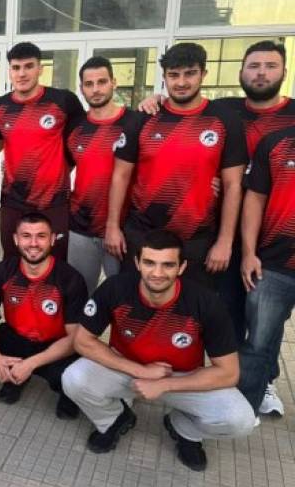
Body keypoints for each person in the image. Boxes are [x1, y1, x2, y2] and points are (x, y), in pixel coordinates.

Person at [138, 40, 294, 414]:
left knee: (264, 323)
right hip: (225, 229)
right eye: (254, 66)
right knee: (230, 310)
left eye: (270, 66)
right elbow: (183, 113)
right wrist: (153, 100)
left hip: (269, 236)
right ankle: (220, 377)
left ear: (284, 71)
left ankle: (260, 382)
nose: (261, 73)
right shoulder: (226, 110)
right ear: (241, 71)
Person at [62, 230, 255, 471]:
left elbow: (228, 373)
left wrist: (165, 385)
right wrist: (140, 371)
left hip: (180, 378)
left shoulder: (206, 303)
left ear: (182, 267)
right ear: (137, 263)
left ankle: (184, 429)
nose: (157, 273)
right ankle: (113, 420)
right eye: (149, 263)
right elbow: (82, 341)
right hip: (128, 371)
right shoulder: (115, 288)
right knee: (73, 378)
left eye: (168, 265)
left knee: (241, 420)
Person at [105, 43, 247, 288]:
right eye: (173, 75)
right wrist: (112, 227)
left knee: (191, 306)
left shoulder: (224, 120)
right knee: (136, 301)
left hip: (197, 236)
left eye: (189, 73)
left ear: (203, 74)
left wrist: (225, 241)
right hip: (143, 231)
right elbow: (120, 176)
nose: (181, 82)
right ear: (164, 77)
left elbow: (234, 185)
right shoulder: (144, 117)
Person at [0, 213, 87, 413]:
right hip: (16, 338)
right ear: (16, 239)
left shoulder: (70, 278)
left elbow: (74, 338)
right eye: (26, 236)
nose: (33, 243)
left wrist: (31, 364)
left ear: (52, 239)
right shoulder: (3, 271)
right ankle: (13, 378)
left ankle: (66, 393)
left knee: (74, 377)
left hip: (54, 344)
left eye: (41, 236)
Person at [0, 41, 86, 261]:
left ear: (40, 69)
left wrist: (61, 168)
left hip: (53, 201)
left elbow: (81, 142)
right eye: (16, 68)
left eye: (29, 66)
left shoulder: (63, 101)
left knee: (55, 262)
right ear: (9, 71)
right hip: (13, 200)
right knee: (13, 260)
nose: (22, 73)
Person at [67, 56, 142, 294]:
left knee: (124, 296)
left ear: (114, 83)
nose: (96, 89)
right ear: (81, 88)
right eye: (89, 84)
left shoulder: (136, 122)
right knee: (79, 294)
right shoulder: (75, 126)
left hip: (124, 228)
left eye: (102, 82)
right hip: (81, 225)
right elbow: (61, 166)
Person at [237, 124, 295, 418]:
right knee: (258, 342)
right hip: (275, 263)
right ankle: (244, 410)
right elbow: (255, 198)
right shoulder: (276, 143)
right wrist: (249, 253)